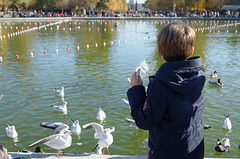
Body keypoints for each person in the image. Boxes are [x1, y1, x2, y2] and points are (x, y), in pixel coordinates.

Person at [127, 21, 205, 159]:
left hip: (166, 153)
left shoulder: (160, 85)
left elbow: (145, 121)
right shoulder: (198, 77)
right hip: (193, 150)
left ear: (159, 52)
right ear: (192, 51)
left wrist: (136, 89)